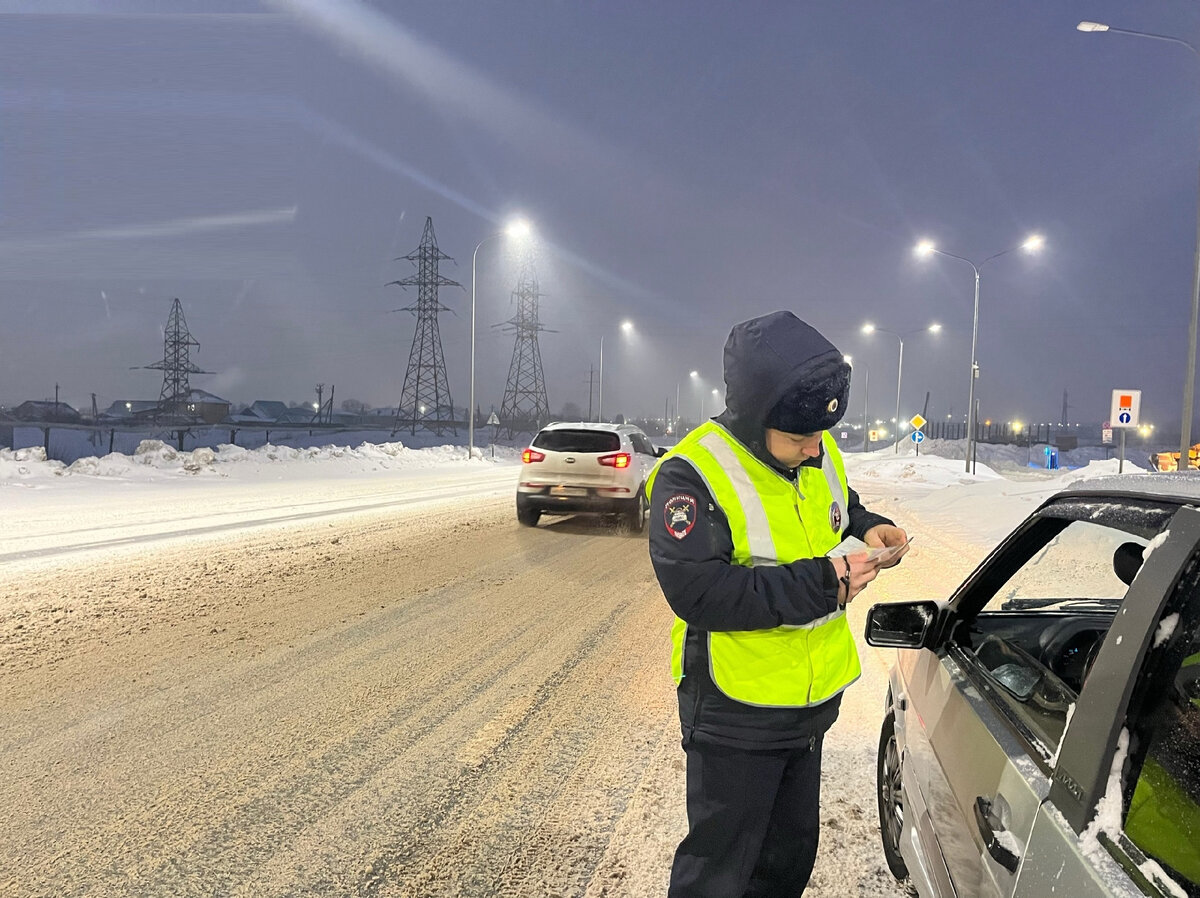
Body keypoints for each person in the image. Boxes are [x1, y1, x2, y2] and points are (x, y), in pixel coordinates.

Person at [647, 310, 908, 897]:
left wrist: (871, 527)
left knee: (787, 860)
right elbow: (700, 593)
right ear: (753, 414)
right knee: (720, 871)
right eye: (798, 438)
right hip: (736, 710)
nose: (815, 450)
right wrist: (826, 582)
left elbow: (840, 505)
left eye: (820, 435)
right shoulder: (694, 475)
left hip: (810, 707)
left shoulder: (816, 451)